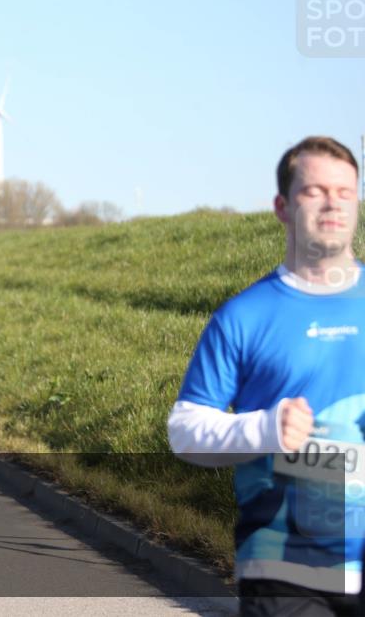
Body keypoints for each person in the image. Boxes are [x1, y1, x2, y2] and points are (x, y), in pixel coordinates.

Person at [168, 136, 364, 616]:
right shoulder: (244, 316)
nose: (333, 203)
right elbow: (185, 430)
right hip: (285, 568)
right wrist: (264, 428)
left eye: (345, 190)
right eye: (314, 190)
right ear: (282, 206)